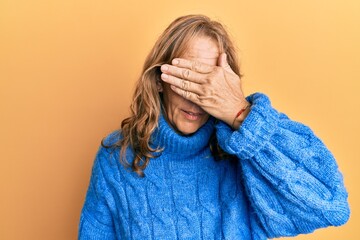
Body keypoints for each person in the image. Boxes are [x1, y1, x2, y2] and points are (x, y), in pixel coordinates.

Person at [78, 14, 350, 239]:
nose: (198, 98)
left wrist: (240, 113)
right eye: (188, 79)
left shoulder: (245, 158)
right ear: (160, 79)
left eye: (209, 82)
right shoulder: (117, 160)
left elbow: (330, 206)